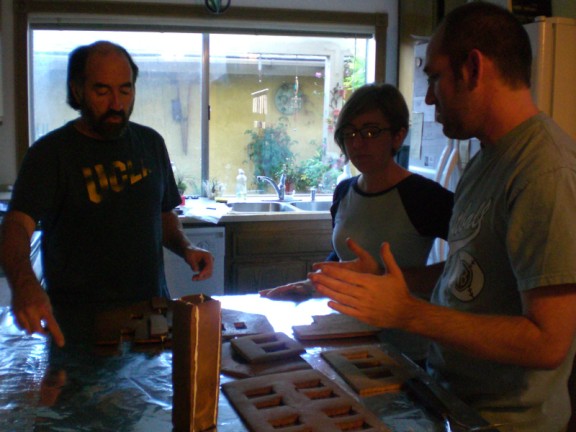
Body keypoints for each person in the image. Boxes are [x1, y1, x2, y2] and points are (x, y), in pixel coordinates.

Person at [309, 3, 576, 432]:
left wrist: (408, 314)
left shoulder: (545, 170)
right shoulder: (485, 162)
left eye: (434, 77)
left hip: (506, 421)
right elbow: (464, 276)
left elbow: (548, 343)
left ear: (473, 68)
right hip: (451, 400)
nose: (429, 97)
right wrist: (381, 277)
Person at [0, 41, 214, 348]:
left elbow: (163, 214)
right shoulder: (49, 154)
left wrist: (186, 247)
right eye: (102, 91)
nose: (116, 104)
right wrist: (23, 285)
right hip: (78, 329)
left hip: (152, 318)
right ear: (77, 90)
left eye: (125, 91)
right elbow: (16, 226)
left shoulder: (151, 143)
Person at [261, 83, 454, 361]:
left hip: (404, 351)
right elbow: (343, 259)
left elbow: (470, 263)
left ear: (398, 135)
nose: (357, 143)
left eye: (370, 132)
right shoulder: (344, 191)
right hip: (343, 339)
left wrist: (384, 277)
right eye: (349, 133)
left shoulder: (422, 196)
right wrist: (309, 285)